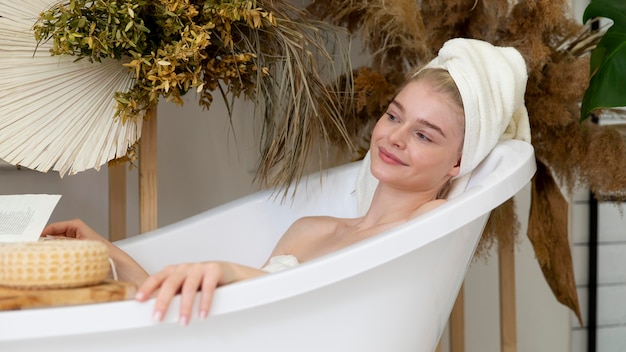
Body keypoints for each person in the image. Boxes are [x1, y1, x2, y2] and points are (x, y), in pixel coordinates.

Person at [41, 38, 530, 327]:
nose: (394, 138)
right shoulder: (311, 229)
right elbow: (226, 321)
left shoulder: (428, 227)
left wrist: (225, 269)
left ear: (458, 164)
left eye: (424, 134)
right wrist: (105, 252)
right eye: (393, 115)